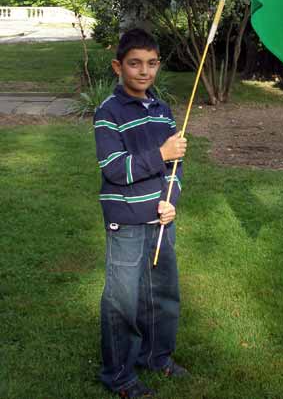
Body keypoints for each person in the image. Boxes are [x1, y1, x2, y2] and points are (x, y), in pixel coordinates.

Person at [94, 28, 188, 398]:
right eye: (134, 64)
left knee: (162, 294)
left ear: (158, 66)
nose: (143, 71)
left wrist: (172, 200)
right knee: (123, 301)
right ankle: (118, 375)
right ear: (119, 66)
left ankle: (156, 356)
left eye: (151, 64)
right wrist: (160, 155)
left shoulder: (163, 111)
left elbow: (176, 166)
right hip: (126, 223)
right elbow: (115, 169)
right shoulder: (108, 113)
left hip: (160, 219)